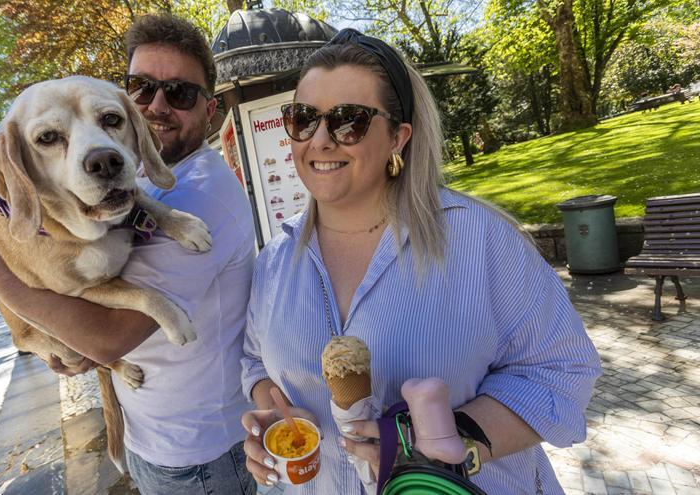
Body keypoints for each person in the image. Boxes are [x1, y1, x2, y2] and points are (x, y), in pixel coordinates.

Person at [240, 29, 602, 494]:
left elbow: (561, 370)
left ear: (398, 136)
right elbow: (254, 360)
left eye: (349, 120)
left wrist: (459, 436)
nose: (322, 140)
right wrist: (277, 418)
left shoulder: (480, 240)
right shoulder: (274, 260)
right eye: (304, 118)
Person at [0, 13, 257, 495]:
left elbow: (103, 338)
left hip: (195, 454)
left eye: (180, 93)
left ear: (212, 110)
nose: (157, 105)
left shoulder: (201, 194)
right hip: (149, 431)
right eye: (142, 87)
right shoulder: (126, 180)